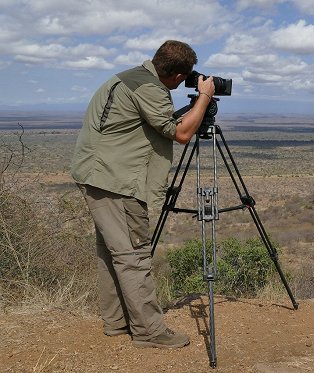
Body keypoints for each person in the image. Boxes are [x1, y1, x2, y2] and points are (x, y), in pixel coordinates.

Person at [70, 40, 215, 348]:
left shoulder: (130, 77)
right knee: (133, 256)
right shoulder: (150, 88)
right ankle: (150, 332)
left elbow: (154, 122)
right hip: (118, 182)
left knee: (113, 253)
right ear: (177, 76)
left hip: (98, 176)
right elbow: (182, 134)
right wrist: (203, 98)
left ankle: (118, 322)